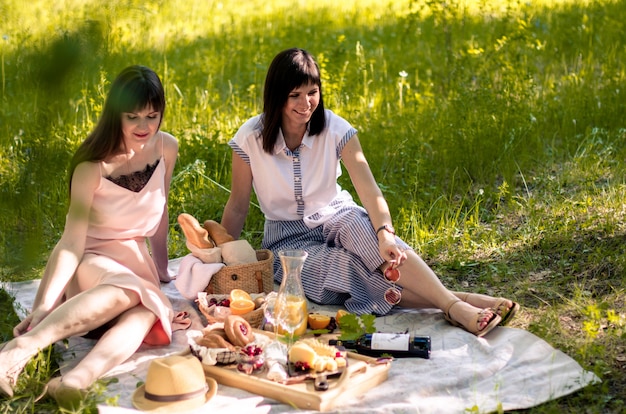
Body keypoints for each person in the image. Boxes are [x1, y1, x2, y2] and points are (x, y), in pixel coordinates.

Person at [221, 48, 519, 338]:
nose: (306, 103)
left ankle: (454, 308)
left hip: (337, 213)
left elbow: (369, 190)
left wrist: (384, 233)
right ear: (277, 97)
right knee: (345, 270)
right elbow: (237, 206)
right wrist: (219, 257)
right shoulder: (250, 139)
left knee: (372, 241)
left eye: (312, 92)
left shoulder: (337, 129)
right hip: (287, 237)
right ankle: (456, 298)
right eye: (294, 95)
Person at [0, 65, 188, 407]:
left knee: (147, 309)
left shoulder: (167, 148)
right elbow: (70, 242)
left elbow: (161, 214)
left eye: (152, 115)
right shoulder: (91, 166)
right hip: (90, 262)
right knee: (128, 292)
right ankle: (17, 351)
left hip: (135, 264)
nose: (144, 127)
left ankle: (74, 381)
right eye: (132, 117)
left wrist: (162, 272)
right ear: (115, 115)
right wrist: (44, 304)